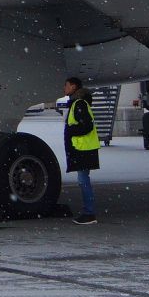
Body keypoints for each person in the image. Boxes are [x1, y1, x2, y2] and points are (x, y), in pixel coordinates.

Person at [62, 76, 101, 224]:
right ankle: (88, 211)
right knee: (83, 180)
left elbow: (87, 126)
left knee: (83, 181)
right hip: (83, 148)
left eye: (66, 85)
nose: (64, 88)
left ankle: (89, 213)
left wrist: (71, 130)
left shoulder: (79, 104)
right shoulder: (79, 103)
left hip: (82, 148)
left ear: (73, 87)